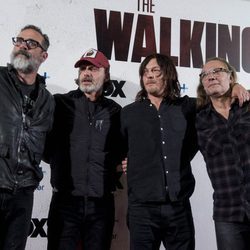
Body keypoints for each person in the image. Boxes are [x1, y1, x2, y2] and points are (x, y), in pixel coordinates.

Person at [120, 53, 249, 250]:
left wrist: (238, 88)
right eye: (145, 72)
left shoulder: (188, 107)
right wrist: (129, 160)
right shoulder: (128, 113)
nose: (150, 76)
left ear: (169, 75)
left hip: (178, 207)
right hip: (142, 209)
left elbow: (217, 97)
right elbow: (118, 148)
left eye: (156, 71)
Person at [44, 48, 124, 250]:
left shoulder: (116, 112)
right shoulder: (60, 104)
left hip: (101, 206)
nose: (86, 73)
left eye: (93, 69)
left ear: (106, 74)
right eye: (83, 69)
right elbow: (44, 147)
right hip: (65, 203)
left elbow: (122, 153)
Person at [0, 25, 54, 250]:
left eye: (31, 43)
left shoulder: (47, 100)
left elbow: (49, 146)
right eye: (19, 40)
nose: (23, 45)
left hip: (23, 194)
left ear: (44, 56)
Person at [196, 57, 250, 250]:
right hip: (227, 213)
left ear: (231, 76)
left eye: (217, 71)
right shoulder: (197, 118)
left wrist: (239, 87)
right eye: (205, 75)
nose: (211, 77)